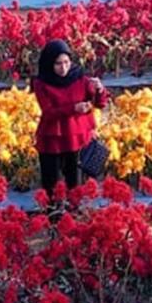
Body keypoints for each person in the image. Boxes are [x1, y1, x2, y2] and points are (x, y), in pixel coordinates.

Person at [31, 40, 108, 195]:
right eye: (58, 63)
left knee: (76, 184)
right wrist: (73, 108)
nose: (63, 68)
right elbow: (48, 112)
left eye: (66, 62)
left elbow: (100, 104)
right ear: (49, 63)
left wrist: (100, 89)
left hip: (77, 137)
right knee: (52, 184)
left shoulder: (81, 79)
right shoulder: (42, 83)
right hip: (52, 138)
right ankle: (53, 216)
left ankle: (75, 215)